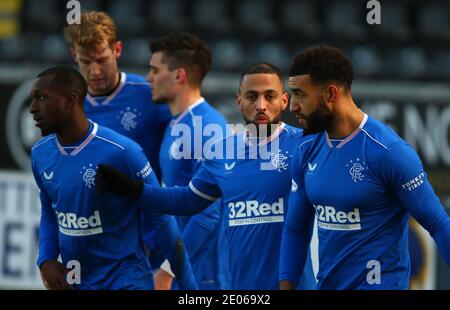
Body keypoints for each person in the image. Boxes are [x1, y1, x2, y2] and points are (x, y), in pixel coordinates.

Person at [95, 63, 317, 290]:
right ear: (238, 100)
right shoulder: (223, 151)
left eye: (269, 96)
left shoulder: (306, 145)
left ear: (284, 100)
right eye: (252, 96)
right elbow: (186, 200)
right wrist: (132, 189)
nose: (261, 105)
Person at [279, 45, 450, 290]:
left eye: (300, 94)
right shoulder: (306, 149)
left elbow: (438, 224)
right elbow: (296, 227)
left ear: (330, 93)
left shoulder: (388, 152)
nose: (292, 105)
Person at [30, 66, 196, 290]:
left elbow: (162, 219)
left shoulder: (122, 151)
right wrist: (46, 259)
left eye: (41, 98)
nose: (32, 108)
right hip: (77, 282)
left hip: (126, 282)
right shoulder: (40, 154)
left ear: (70, 101)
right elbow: (50, 212)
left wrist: (189, 288)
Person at [146, 32, 230, 290]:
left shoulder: (207, 126)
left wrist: (169, 271)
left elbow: (208, 214)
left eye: (155, 70)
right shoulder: (177, 123)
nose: (149, 78)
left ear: (179, 75)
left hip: (206, 275)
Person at [63, 11, 171, 181]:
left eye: (101, 60)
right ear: (74, 55)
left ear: (117, 49)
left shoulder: (150, 94)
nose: (95, 71)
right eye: (86, 61)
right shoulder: (67, 106)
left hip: (144, 205)